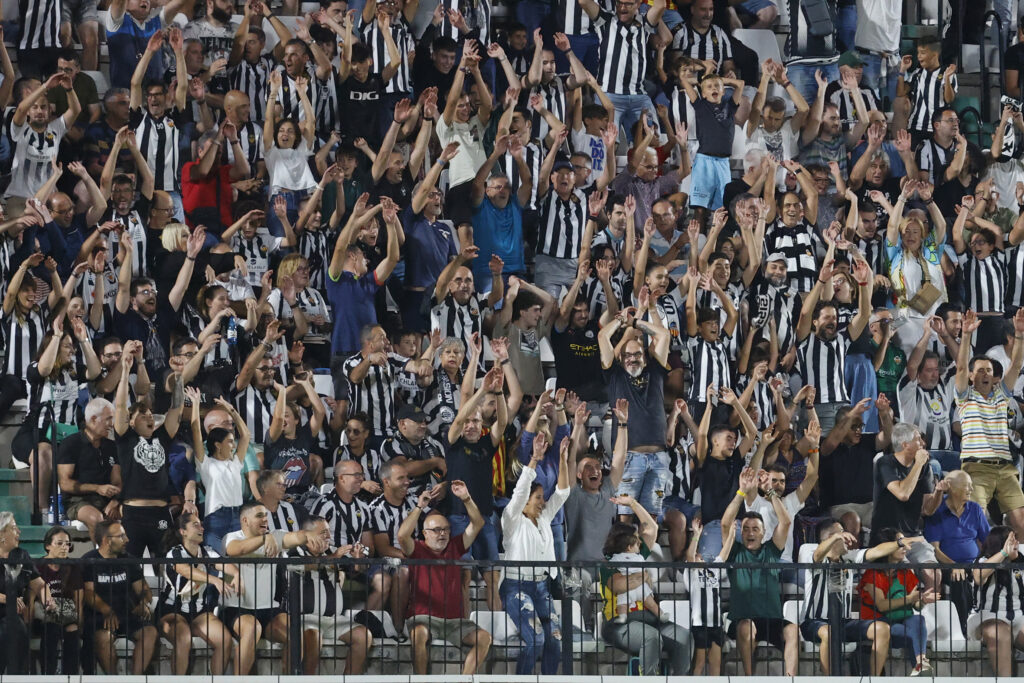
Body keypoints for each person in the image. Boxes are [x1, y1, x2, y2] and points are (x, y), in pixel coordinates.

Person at [398, 481, 492, 674]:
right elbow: (402, 536)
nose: (442, 534)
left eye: (446, 529)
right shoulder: (417, 549)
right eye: (436, 530)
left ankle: (464, 680)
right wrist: (419, 507)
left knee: (484, 638)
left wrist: (466, 498)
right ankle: (421, 681)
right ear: (425, 534)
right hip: (423, 619)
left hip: (455, 622)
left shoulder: (455, 546)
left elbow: (478, 523)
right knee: (418, 634)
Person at [223, 500, 327, 674]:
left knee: (295, 634)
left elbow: (295, 537)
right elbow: (237, 550)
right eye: (259, 516)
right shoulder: (232, 537)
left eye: (266, 515)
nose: (265, 519)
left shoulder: (275, 536)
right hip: (237, 608)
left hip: (269, 610)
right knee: (252, 628)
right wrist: (265, 538)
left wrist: (308, 535)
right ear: (245, 520)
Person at [501, 431, 571, 675]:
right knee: (536, 639)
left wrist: (562, 459)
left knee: (555, 639)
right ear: (526, 501)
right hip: (516, 587)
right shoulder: (512, 519)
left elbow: (562, 493)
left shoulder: (544, 518)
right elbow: (520, 491)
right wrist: (534, 460)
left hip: (541, 587)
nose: (543, 502)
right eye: (538, 498)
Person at [721, 466, 799, 676]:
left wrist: (770, 491)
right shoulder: (735, 552)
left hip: (771, 620)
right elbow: (725, 524)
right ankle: (749, 678)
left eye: (755, 529)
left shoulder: (771, 551)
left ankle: (791, 679)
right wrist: (741, 492)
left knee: (792, 629)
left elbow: (786, 521)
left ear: (764, 533)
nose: (750, 533)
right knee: (746, 626)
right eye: (746, 529)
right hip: (742, 619)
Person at [954, 308, 1024, 539]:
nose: (985, 374)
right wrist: (966, 335)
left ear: (994, 376)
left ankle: (1019, 562)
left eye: (989, 370)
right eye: (980, 370)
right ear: (971, 376)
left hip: (1005, 467)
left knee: (1021, 522)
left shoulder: (1001, 395)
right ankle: (981, 562)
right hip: (976, 467)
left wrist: (1020, 335)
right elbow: (961, 367)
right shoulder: (965, 396)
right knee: (978, 521)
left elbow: (1015, 366)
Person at [598, 305, 673, 521]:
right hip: (629, 457)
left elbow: (663, 335)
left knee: (651, 519)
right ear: (620, 359)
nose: (633, 358)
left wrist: (635, 322)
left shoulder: (655, 371)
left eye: (637, 354)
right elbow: (603, 336)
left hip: (659, 457)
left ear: (645, 357)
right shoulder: (614, 375)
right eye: (627, 355)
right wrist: (621, 321)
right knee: (625, 517)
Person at [601, 503, 694, 675]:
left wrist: (632, 504)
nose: (639, 541)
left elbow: (652, 528)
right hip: (618, 622)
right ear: (626, 544)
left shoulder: (637, 556)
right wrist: (642, 576)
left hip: (648, 617)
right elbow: (619, 585)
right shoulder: (609, 563)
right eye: (635, 539)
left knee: (683, 636)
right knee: (651, 636)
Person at [798, 519, 897, 675]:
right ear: (830, 538)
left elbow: (876, 551)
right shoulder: (814, 556)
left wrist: (899, 543)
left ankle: (874, 679)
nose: (846, 536)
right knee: (828, 632)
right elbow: (817, 555)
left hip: (843, 622)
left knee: (882, 629)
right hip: (814, 622)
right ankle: (829, 679)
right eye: (841, 532)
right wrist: (835, 537)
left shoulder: (849, 557)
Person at [158, 511, 238, 675]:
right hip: (172, 611)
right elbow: (185, 570)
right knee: (183, 638)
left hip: (199, 612)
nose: (201, 528)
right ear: (183, 531)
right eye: (195, 525)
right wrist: (214, 580)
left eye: (201, 524)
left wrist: (236, 573)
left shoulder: (206, 551)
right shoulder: (175, 552)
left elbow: (224, 564)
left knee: (224, 640)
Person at [81, 520, 159, 675]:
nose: (127, 540)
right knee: (103, 639)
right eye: (121, 536)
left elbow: (144, 589)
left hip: (127, 614)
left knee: (150, 632)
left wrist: (143, 602)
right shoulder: (89, 560)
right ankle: (113, 679)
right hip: (99, 616)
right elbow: (88, 593)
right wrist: (106, 610)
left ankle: (135, 679)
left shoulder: (128, 559)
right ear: (106, 540)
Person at [858, 528, 938, 676]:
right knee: (913, 634)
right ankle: (920, 669)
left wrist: (922, 600)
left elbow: (916, 606)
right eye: (902, 543)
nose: (907, 547)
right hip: (879, 625)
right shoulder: (872, 574)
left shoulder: (906, 572)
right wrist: (910, 598)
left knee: (917, 619)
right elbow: (882, 605)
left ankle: (921, 664)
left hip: (902, 621)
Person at [183, 388, 251, 552]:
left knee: (238, 562)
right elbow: (196, 431)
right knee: (215, 560)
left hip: (238, 517)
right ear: (218, 445)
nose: (233, 446)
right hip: (215, 519)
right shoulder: (206, 464)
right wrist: (196, 404)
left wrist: (231, 410)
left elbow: (246, 435)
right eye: (230, 442)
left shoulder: (236, 463)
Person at [56, 397, 121, 536]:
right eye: (108, 419)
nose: (112, 424)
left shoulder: (112, 447)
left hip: (107, 500)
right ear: (93, 419)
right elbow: (65, 484)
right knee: (96, 518)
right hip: (77, 501)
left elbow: (117, 481)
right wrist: (97, 488)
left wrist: (115, 501)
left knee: (132, 513)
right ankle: (101, 550)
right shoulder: (71, 444)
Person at [969, 526, 1024, 676]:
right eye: (1012, 540)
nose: (1017, 543)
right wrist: (1004, 553)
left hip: (1018, 618)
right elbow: (978, 576)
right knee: (999, 633)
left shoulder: (1020, 564)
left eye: (1016, 540)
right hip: (989, 617)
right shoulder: (984, 560)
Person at [0, 512, 47, 675]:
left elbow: (39, 584)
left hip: (12, 616)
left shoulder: (21, 555)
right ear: (2, 534)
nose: (19, 531)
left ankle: (17, 676)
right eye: (14, 528)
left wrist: (48, 600)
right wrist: (7, 599)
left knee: (15, 626)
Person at [34, 525, 84, 674]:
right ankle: (48, 674)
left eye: (67, 544)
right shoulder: (38, 565)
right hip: (44, 613)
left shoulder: (72, 566)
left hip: (67, 613)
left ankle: (70, 675)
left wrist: (79, 620)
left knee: (72, 630)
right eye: (59, 543)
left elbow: (78, 597)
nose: (64, 547)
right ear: (48, 546)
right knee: (52, 627)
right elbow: (32, 594)